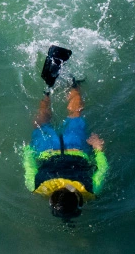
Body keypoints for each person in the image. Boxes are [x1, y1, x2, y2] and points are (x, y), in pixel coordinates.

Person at [23, 79, 108, 219]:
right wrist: (28, 149)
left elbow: (103, 168)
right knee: (40, 123)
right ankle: (47, 92)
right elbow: (28, 163)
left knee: (76, 114)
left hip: (76, 148)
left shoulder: (91, 190)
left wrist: (98, 149)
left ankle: (74, 83)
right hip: (47, 149)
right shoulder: (36, 187)